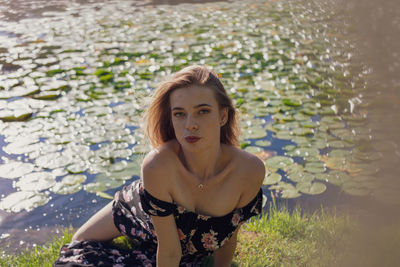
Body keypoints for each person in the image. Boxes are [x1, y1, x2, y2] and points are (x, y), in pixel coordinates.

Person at [53, 65, 265, 267]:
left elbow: (228, 236)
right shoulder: (158, 165)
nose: (190, 124)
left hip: (186, 247)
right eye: (179, 113)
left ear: (223, 116)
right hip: (139, 213)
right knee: (78, 251)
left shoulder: (248, 171)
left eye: (203, 111)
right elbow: (170, 251)